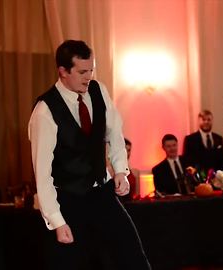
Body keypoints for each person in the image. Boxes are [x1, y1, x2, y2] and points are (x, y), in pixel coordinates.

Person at [28, 40, 150, 270]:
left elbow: (114, 132)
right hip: (69, 200)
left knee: (132, 255)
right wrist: (56, 221)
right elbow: (42, 175)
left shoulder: (98, 90)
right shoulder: (44, 111)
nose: (88, 77)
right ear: (63, 71)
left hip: (102, 192)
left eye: (91, 69)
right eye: (82, 71)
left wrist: (121, 171)